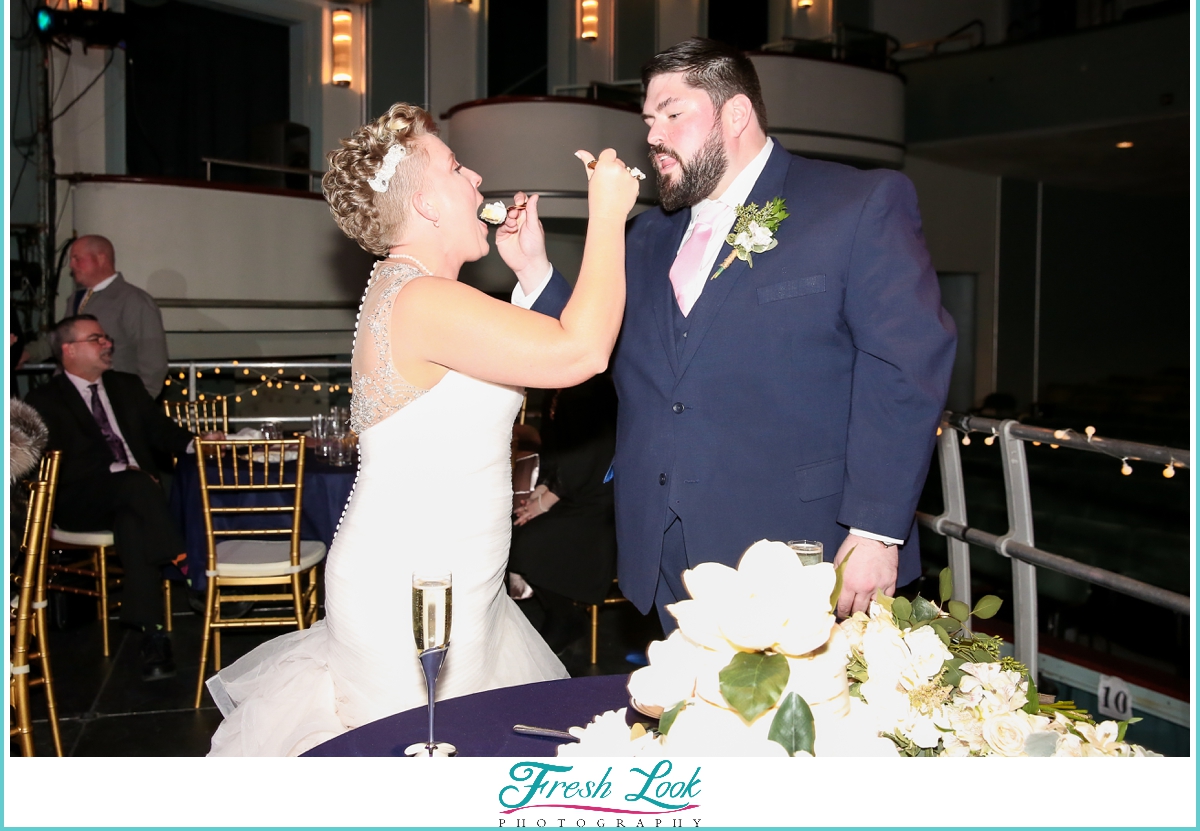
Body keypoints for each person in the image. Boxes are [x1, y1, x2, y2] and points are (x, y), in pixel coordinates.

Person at [205, 102, 639, 756]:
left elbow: (492, 379)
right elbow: (580, 353)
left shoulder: (415, 292)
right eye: (456, 166)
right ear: (429, 205)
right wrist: (608, 214)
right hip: (417, 595)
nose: (476, 178)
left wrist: (529, 275)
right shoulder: (421, 299)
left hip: (458, 580)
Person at [511, 38, 957, 627]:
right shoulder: (646, 237)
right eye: (649, 119)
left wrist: (877, 531)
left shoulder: (855, 203)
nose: (653, 135)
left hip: (802, 553)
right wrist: (534, 270)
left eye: (673, 113)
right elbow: (605, 350)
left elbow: (906, 367)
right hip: (669, 551)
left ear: (736, 114)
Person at [24, 315, 205, 681]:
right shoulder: (43, 399)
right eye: (96, 339)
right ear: (69, 350)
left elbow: (161, 432)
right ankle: (186, 562)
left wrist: (196, 443)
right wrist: (123, 473)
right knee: (137, 485)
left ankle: (153, 637)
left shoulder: (125, 385)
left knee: (133, 524)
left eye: (106, 337)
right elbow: (55, 464)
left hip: (138, 504)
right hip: (81, 501)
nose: (108, 344)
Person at [510, 374, 619, 653]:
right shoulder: (556, 392)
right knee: (513, 532)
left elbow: (590, 456)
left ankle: (566, 619)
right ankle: (561, 616)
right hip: (570, 492)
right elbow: (554, 448)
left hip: (596, 501)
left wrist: (544, 503)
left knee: (528, 542)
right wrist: (542, 487)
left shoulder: (591, 392)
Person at [67, 235, 169, 398]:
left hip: (116, 399)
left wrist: (138, 404)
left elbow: (153, 362)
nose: (71, 265)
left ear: (101, 258)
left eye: (77, 258)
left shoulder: (133, 300)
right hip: (77, 399)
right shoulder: (76, 299)